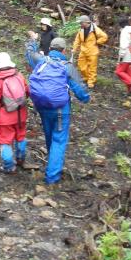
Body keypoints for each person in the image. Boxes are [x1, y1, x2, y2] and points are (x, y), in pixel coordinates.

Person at [25, 32, 90, 184]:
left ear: (50, 48)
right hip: (60, 109)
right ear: (63, 51)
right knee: (59, 140)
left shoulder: (41, 61)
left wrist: (33, 40)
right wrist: (86, 98)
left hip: (41, 106)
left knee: (50, 136)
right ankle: (52, 178)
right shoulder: (67, 67)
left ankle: (51, 165)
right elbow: (81, 91)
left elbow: (29, 53)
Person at [0, 52, 30, 173]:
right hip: (21, 114)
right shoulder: (19, 75)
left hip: (5, 118)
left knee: (5, 141)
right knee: (21, 136)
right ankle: (21, 159)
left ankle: (9, 167)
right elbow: (27, 91)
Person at [72, 15, 108, 89]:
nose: (80, 24)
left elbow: (104, 37)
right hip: (83, 51)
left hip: (92, 51)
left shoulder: (95, 29)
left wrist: (97, 42)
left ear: (86, 22)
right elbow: (77, 40)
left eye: (81, 23)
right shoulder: (81, 30)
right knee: (81, 65)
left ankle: (91, 81)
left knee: (92, 67)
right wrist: (74, 49)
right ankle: (86, 78)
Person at [114, 19, 131, 93]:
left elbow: (123, 46)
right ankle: (130, 90)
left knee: (119, 71)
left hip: (125, 56)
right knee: (129, 73)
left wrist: (120, 60)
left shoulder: (124, 32)